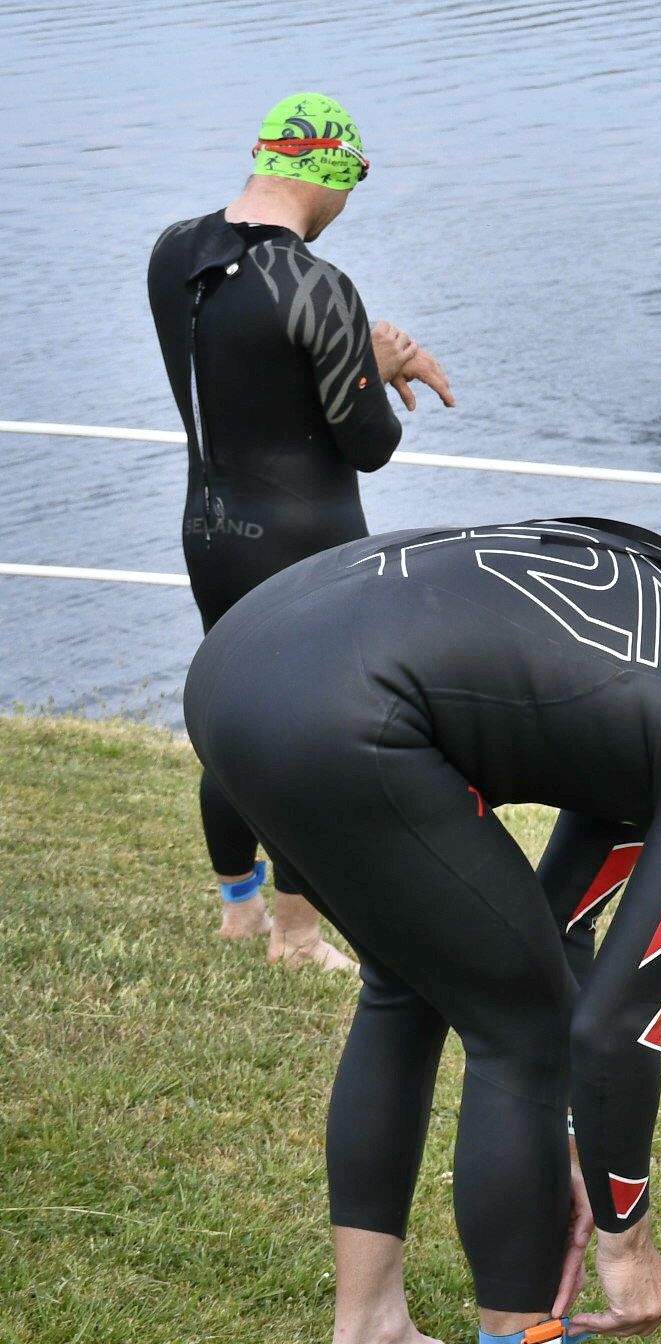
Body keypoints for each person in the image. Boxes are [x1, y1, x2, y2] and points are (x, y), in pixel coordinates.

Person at [183, 516, 661, 1344]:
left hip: (241, 665)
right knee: (526, 1025)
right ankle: (514, 1336)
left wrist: (570, 1134)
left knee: (418, 981)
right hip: (332, 709)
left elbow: (561, 920)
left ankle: (370, 1326)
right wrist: (629, 1243)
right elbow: (614, 1027)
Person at [146, 92, 453, 970]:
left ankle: (238, 909)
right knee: (310, 730)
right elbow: (370, 442)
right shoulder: (315, 286)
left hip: (209, 528)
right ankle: (296, 931)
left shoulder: (173, 253)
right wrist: (374, 362)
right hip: (305, 540)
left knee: (231, 715)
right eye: (352, 183)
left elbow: (245, 380)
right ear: (327, 174)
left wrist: (349, 358)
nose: (348, 203)